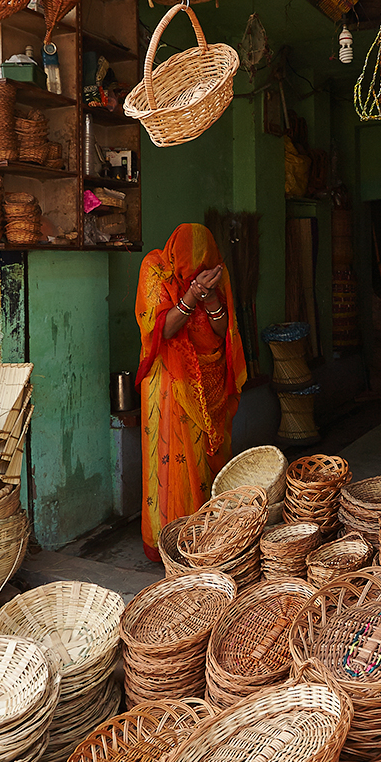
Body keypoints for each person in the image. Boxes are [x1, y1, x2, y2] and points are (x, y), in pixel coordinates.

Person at [136, 223, 247, 560]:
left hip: (209, 377)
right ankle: (173, 543)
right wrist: (190, 295)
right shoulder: (155, 269)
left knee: (209, 459)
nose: (196, 275)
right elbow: (162, 329)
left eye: (202, 270)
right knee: (175, 465)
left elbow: (221, 327)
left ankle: (210, 539)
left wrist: (210, 294)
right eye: (189, 272)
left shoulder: (216, 273)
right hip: (170, 382)